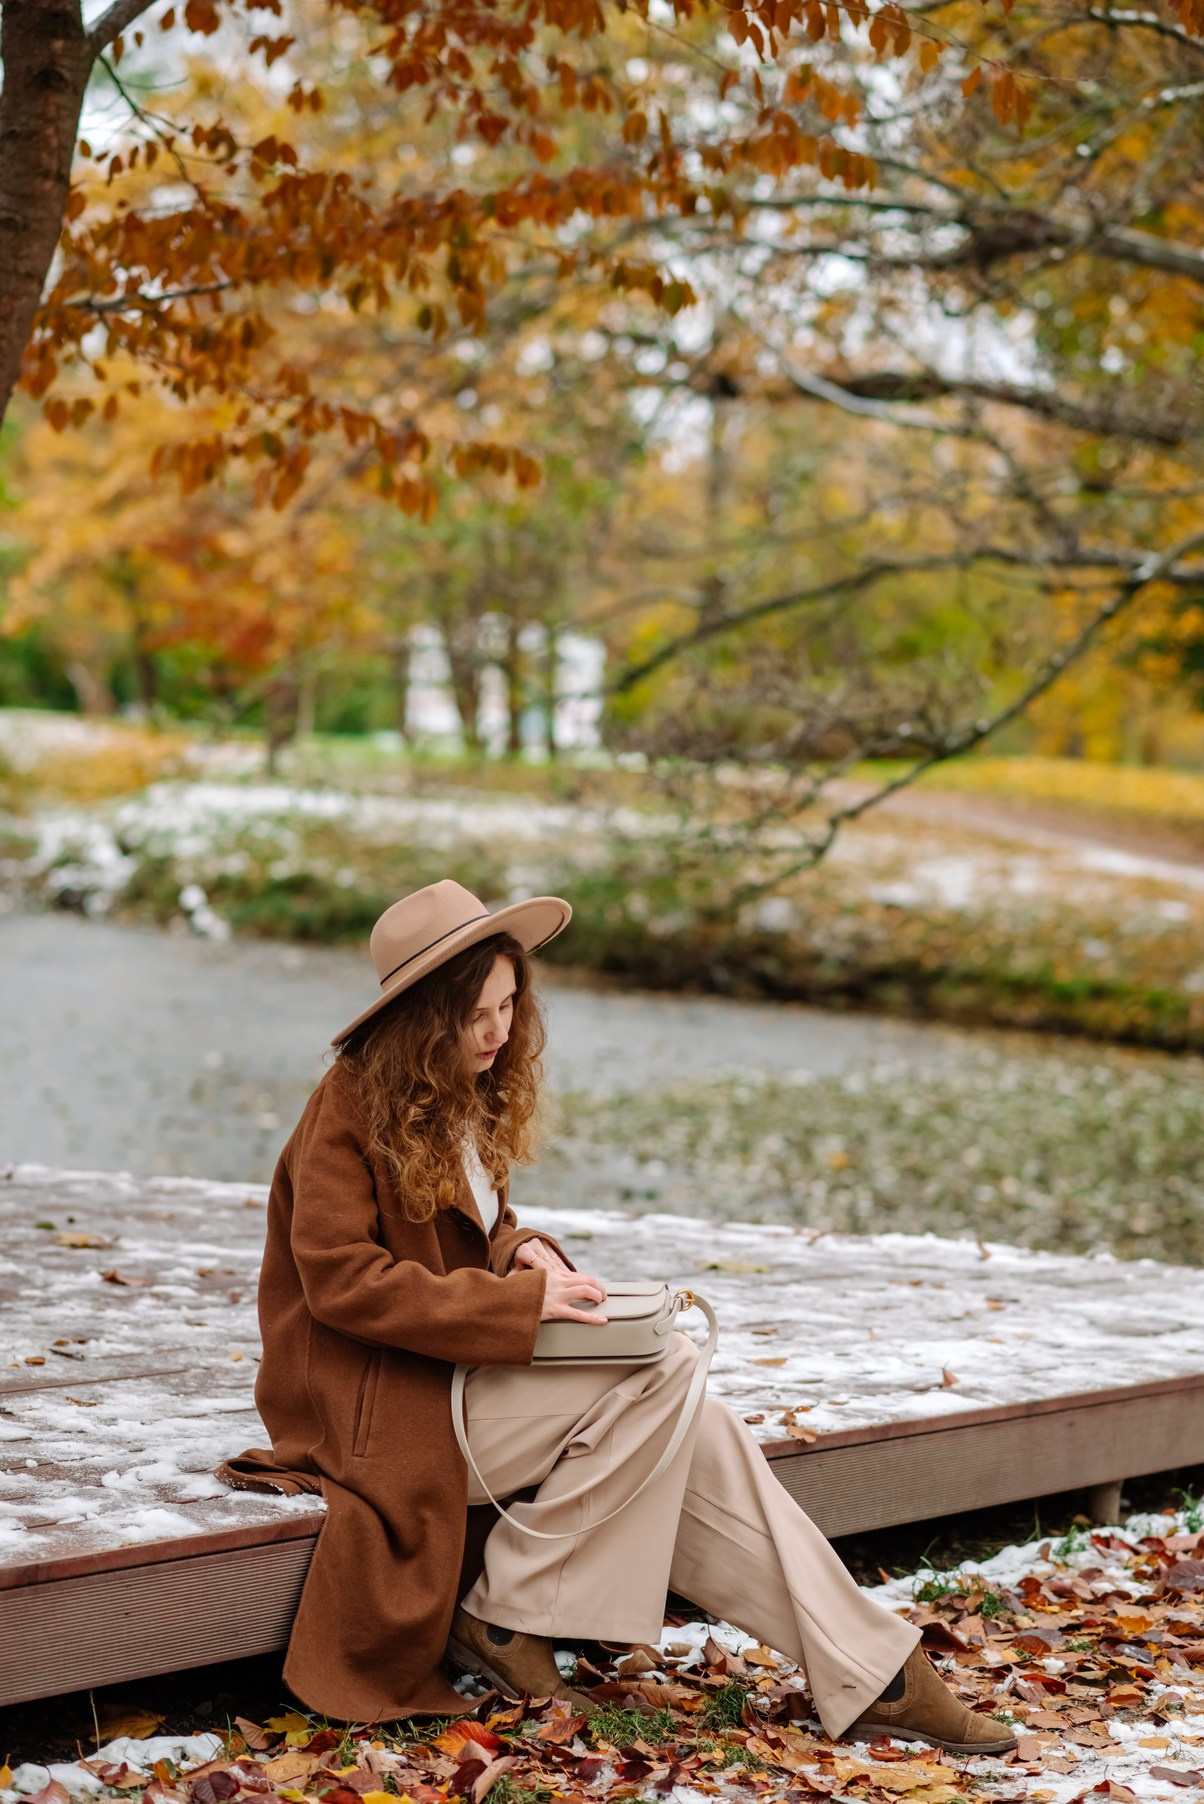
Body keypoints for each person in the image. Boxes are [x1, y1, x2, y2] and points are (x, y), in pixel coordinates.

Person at [217, 880, 1014, 1756]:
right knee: (665, 1368)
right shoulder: (347, 1107)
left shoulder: (460, 1095)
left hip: (448, 1378)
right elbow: (345, 1282)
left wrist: (525, 1250)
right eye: (474, 1015)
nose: (498, 1033)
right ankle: (512, 1608)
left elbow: (473, 1233)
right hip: (374, 1412)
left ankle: (875, 1671)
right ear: (417, 1019)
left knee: (700, 1431)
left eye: (509, 1006)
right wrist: (518, 1301)